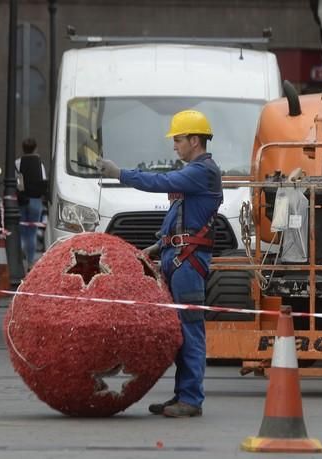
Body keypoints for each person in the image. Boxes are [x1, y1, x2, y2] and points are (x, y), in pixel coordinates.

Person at [96, 110, 223, 418]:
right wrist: (154, 248)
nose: (174, 146)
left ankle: (191, 399)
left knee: (189, 331)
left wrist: (120, 174)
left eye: (178, 140)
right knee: (179, 331)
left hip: (187, 264)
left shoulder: (201, 171)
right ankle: (183, 395)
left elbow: (159, 181)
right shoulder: (194, 174)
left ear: (195, 140)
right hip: (179, 260)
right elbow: (179, 224)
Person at [15, 137, 47, 269]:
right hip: (35, 200)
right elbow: (44, 180)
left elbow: (15, 181)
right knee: (32, 232)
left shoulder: (17, 162)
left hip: (22, 199)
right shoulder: (39, 163)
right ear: (35, 148)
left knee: (22, 231)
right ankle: (30, 263)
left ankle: (19, 259)